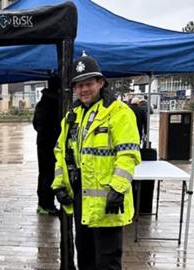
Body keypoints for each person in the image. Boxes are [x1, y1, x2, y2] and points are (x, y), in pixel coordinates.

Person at [51, 53, 141, 270]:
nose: (84, 90)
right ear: (73, 89)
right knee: (85, 259)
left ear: (101, 83)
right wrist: (59, 186)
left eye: (89, 83)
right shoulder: (72, 115)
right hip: (81, 201)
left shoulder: (119, 113)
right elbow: (61, 152)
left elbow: (128, 155)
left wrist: (118, 189)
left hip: (109, 203)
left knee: (107, 262)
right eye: (79, 85)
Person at [32, 76, 60, 215]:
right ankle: (47, 205)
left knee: (43, 173)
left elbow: (35, 124)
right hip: (52, 143)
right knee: (51, 174)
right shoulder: (56, 102)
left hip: (42, 142)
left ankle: (42, 203)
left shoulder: (41, 103)